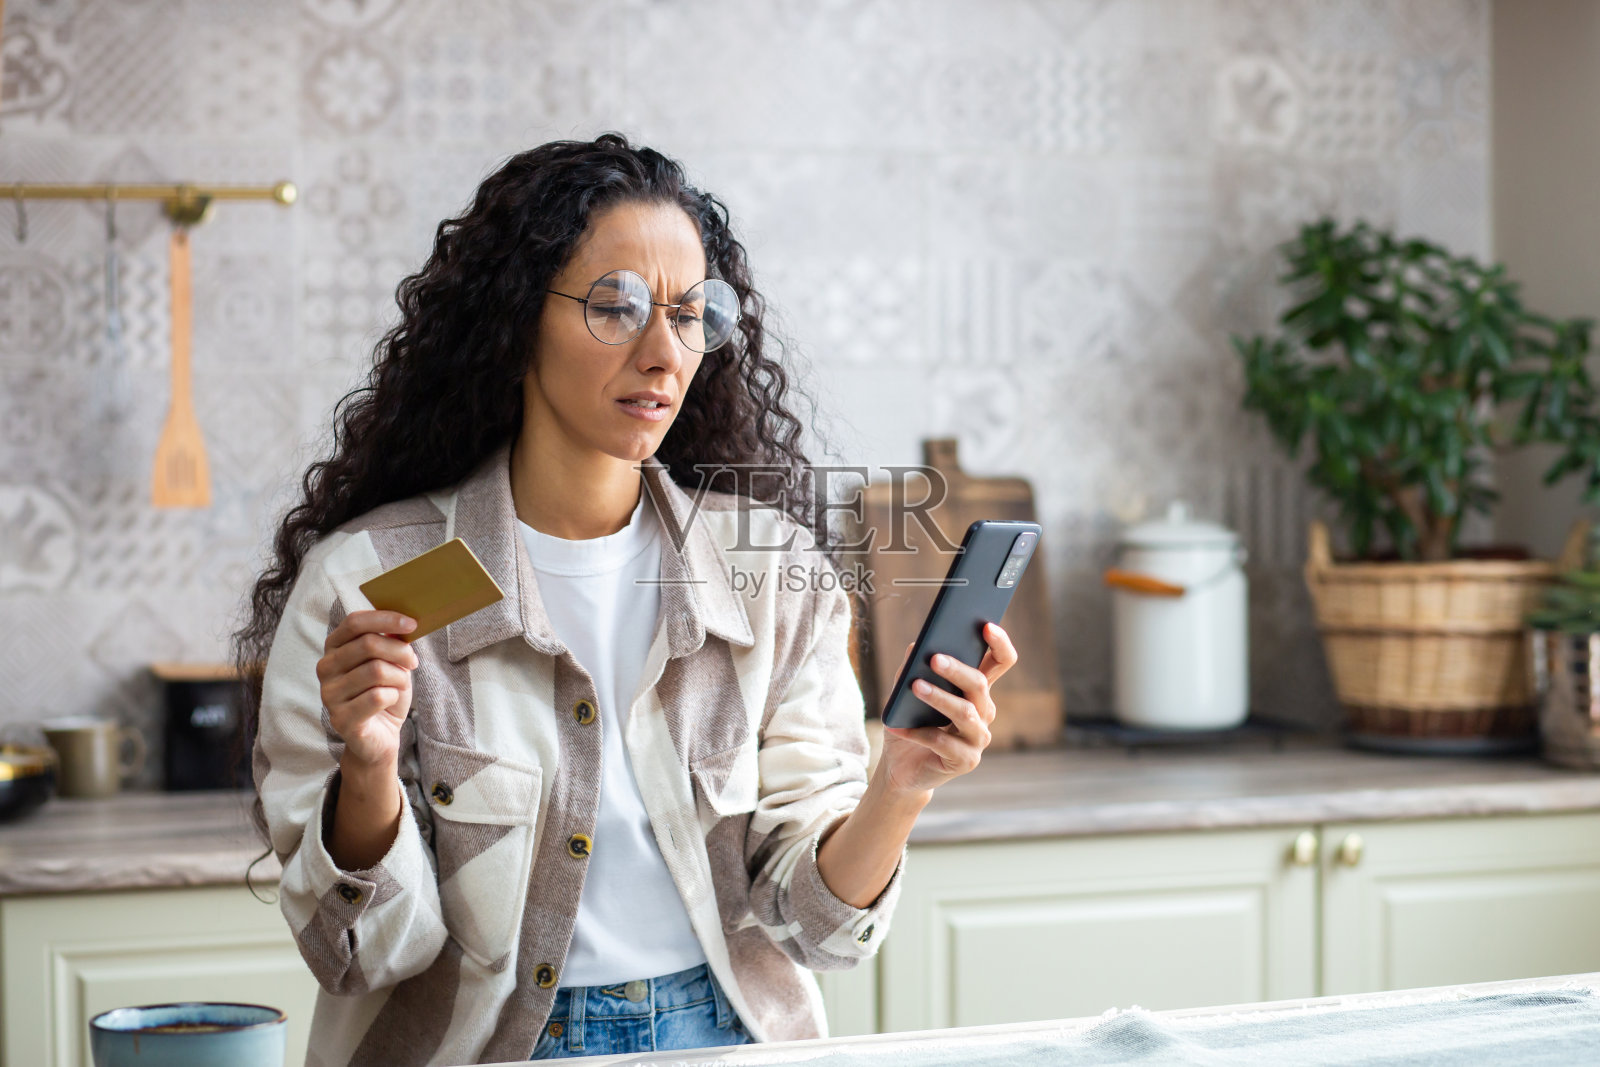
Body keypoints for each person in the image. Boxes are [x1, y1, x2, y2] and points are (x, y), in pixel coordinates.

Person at [233, 133, 1018, 1067]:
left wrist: (900, 785)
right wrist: (365, 772)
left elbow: (817, 932)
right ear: (517, 318)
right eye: (616, 307)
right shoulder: (367, 580)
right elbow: (361, 953)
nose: (663, 352)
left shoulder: (771, 572)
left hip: (730, 1041)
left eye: (691, 314)